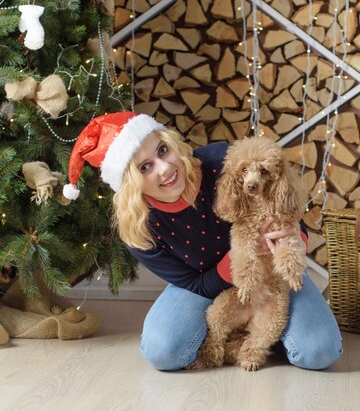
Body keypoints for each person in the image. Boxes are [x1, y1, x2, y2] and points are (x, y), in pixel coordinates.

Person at [64, 112, 343, 370]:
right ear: (130, 182)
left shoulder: (222, 162)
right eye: (145, 167)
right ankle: (230, 331)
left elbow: (287, 213)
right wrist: (237, 258)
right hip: (204, 284)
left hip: (273, 271)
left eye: (163, 151)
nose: (164, 168)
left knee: (320, 351)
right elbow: (193, 284)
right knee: (164, 351)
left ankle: (260, 335)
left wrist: (295, 240)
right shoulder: (138, 228)